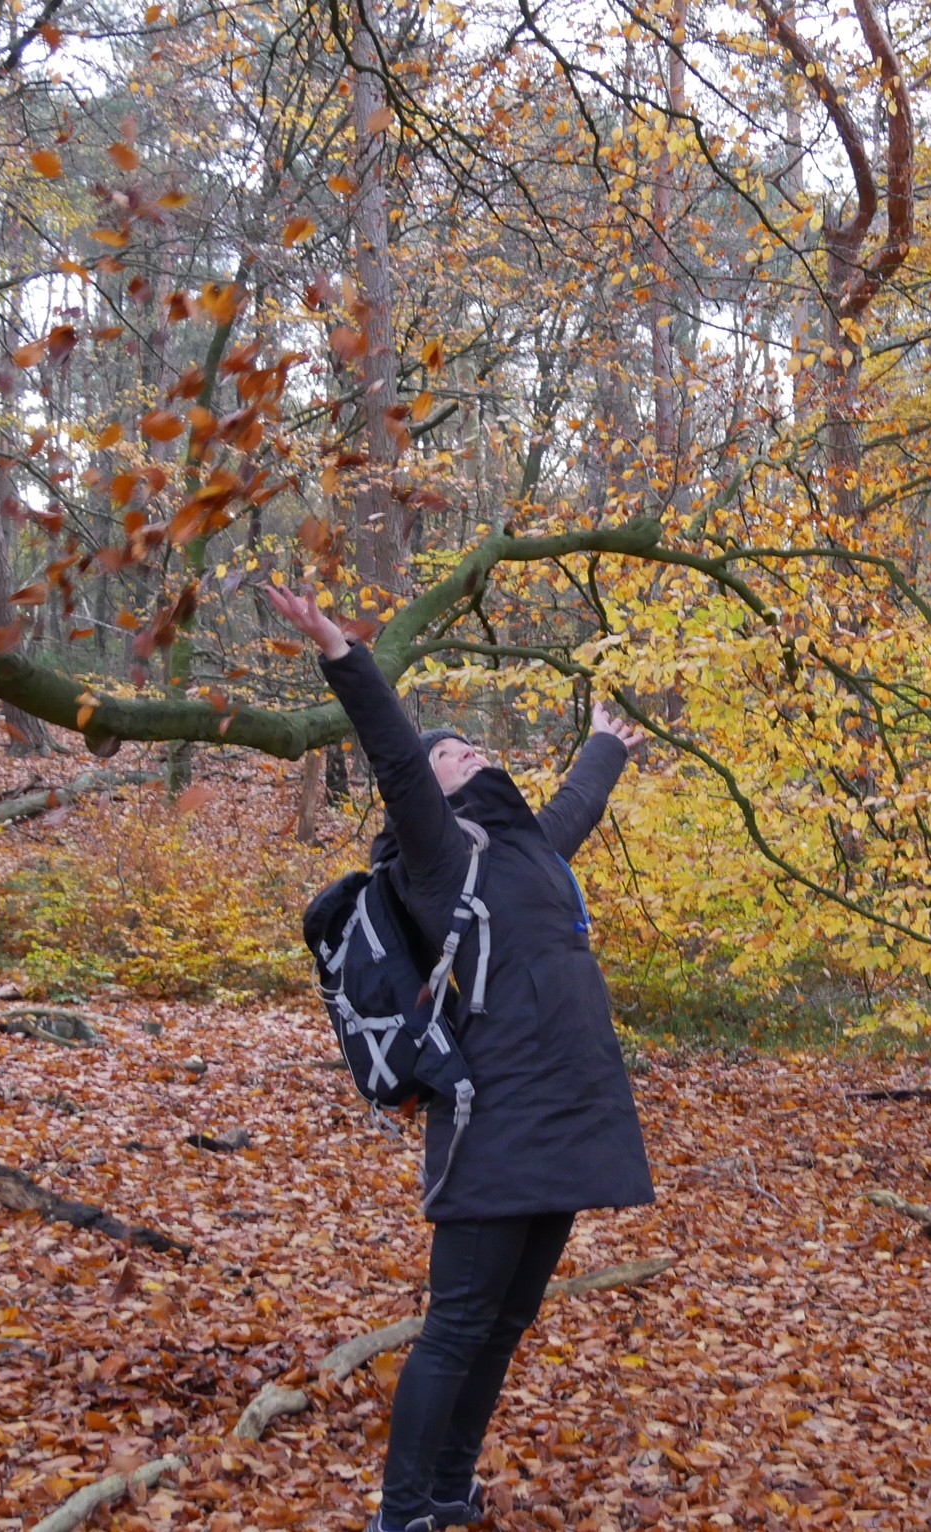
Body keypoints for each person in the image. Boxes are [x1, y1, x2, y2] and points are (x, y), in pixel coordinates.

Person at [266, 585, 657, 1532]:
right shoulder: (439, 856)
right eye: (449, 752)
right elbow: (395, 754)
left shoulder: (524, 850)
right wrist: (341, 654)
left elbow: (570, 809)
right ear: (424, 793)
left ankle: (446, 1493)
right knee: (456, 1330)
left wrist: (605, 743)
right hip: (496, 1120)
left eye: (468, 744)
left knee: (506, 1326)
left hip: (571, 1112)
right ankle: (404, 1513)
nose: (463, 750)